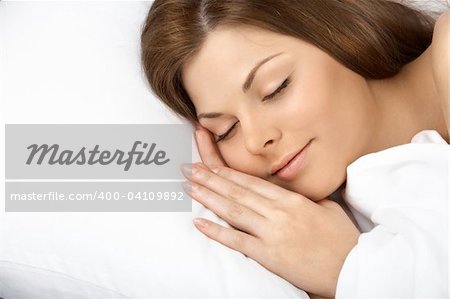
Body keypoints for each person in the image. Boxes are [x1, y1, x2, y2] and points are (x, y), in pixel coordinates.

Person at [140, 0, 449, 298]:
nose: (254, 140)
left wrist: (351, 271)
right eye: (226, 131)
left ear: (346, 32)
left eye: (276, 88)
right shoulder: (329, 229)